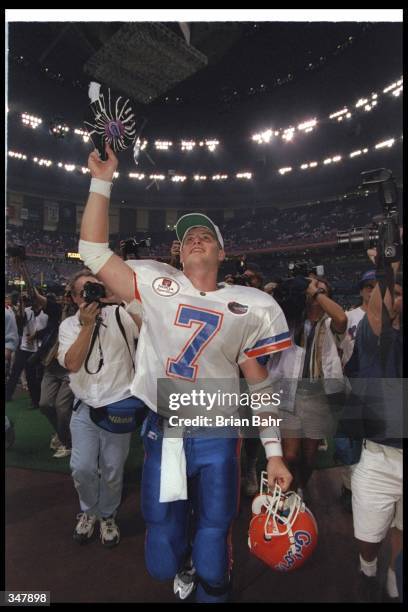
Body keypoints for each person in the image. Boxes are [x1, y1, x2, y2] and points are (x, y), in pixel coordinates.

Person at [78, 144, 293, 603]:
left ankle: (209, 578)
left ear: (221, 251)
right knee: (161, 553)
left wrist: (273, 453)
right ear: (178, 252)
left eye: (206, 236)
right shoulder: (157, 284)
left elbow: (259, 382)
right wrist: (102, 180)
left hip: (217, 429)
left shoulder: (249, 305)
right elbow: (92, 251)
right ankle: (185, 562)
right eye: (188, 236)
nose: (195, 239)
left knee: (215, 539)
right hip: (166, 428)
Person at [58, 268, 144, 548]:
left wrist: (118, 296)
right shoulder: (69, 326)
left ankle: (107, 515)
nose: (93, 294)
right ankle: (88, 511)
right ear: (73, 298)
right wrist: (86, 326)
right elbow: (71, 363)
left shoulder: (121, 315)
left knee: (112, 468)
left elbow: (149, 327)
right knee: (81, 467)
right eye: (86, 290)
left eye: (96, 287)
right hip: (84, 407)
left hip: (118, 406)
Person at [346, 251, 403, 602]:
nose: (394, 297)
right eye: (389, 291)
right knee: (368, 535)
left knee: (401, 528)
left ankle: (395, 569)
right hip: (379, 457)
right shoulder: (370, 334)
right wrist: (390, 265)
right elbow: (380, 313)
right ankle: (368, 565)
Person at [270, 276, 347, 499]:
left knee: (310, 457)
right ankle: (291, 492)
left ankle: (303, 485)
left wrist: (316, 293)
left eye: (322, 291)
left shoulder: (331, 323)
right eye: (312, 290)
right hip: (290, 394)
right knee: (291, 454)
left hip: (317, 397)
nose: (314, 293)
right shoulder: (293, 320)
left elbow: (341, 317)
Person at [339, 270, 377, 511]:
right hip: (352, 383)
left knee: (374, 443)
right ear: (361, 289)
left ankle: (370, 492)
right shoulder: (349, 316)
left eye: (376, 285)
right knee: (348, 442)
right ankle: (348, 487)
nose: (371, 290)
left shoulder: (391, 315)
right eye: (367, 286)